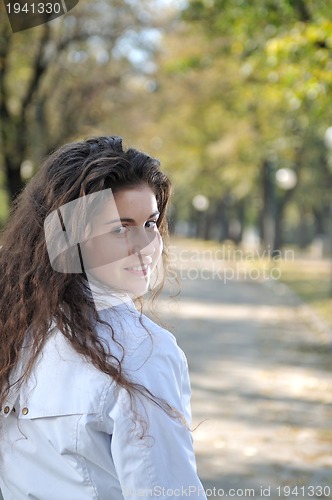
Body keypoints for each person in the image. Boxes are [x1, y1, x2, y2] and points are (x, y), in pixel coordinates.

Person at [0, 136, 206, 500]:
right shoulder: (141, 353)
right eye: (119, 228)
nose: (146, 246)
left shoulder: (14, 322)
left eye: (151, 223)